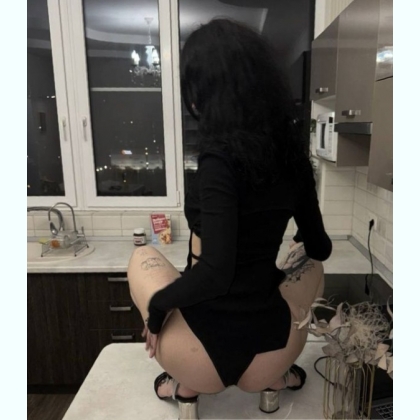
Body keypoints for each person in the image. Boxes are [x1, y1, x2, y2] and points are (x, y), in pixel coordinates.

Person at [128, 19, 332, 417]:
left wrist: (157, 312)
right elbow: (319, 247)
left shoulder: (218, 160)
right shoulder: (293, 159)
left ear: (205, 92)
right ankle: (275, 380)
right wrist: (289, 251)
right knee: (313, 266)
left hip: (198, 355)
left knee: (141, 256)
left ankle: (186, 385)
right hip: (271, 351)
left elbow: (215, 274)